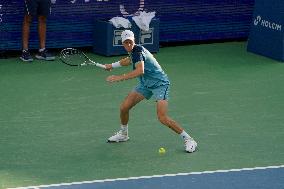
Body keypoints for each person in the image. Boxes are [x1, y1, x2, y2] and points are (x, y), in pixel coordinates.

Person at [104, 30, 197, 153]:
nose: (129, 44)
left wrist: (119, 77)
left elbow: (140, 71)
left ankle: (189, 139)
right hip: (146, 84)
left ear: (134, 41)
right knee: (124, 108)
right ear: (123, 43)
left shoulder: (138, 51)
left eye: (130, 42)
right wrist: (111, 65)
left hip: (160, 84)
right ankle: (123, 134)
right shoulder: (133, 52)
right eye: (126, 42)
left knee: (162, 117)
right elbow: (128, 60)